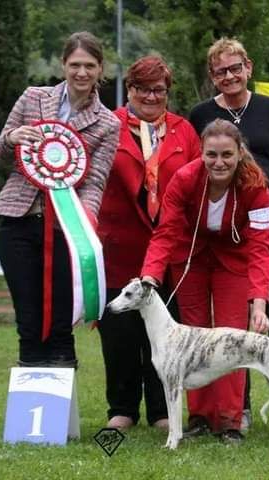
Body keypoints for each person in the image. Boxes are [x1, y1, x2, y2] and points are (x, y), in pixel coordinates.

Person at [189, 37, 269, 429]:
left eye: (235, 67)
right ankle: (235, 407)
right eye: (221, 70)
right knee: (234, 317)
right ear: (212, 76)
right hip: (227, 224)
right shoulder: (201, 114)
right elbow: (198, 171)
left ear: (249, 67)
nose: (229, 75)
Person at [0, 31, 119, 368]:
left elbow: (95, 182)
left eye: (89, 66)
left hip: (66, 231)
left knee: (61, 323)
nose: (81, 73)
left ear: (100, 69)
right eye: (75, 64)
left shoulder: (107, 123)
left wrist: (83, 224)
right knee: (29, 321)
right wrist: (11, 138)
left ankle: (60, 416)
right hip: (18, 221)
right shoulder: (33, 98)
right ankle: (32, 402)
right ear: (63, 65)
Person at [140, 119, 269, 445]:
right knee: (190, 336)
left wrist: (259, 303)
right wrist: (150, 275)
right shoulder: (184, 179)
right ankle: (199, 417)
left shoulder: (256, 186)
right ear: (201, 153)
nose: (219, 162)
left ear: (240, 152)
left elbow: (260, 246)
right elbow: (166, 232)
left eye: (227, 154)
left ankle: (230, 421)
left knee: (232, 340)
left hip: (234, 261)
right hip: (191, 257)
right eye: (211, 154)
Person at [97, 55, 200, 431]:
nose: (151, 96)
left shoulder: (184, 131)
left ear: (168, 92)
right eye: (143, 89)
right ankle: (121, 408)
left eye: (159, 89)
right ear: (131, 90)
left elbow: (195, 185)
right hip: (119, 248)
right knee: (120, 332)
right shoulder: (110, 126)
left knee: (164, 334)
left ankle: (160, 410)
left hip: (169, 251)